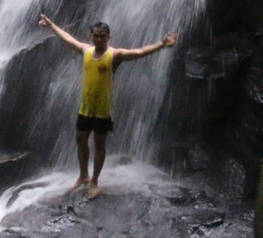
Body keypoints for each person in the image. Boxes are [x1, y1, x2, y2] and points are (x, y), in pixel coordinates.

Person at [37, 13, 179, 199]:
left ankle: (94, 181)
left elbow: (139, 52)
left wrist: (161, 44)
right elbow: (67, 38)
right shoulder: (86, 51)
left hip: (103, 110)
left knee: (99, 143)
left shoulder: (115, 55)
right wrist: (50, 25)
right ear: (91, 36)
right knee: (80, 140)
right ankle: (83, 175)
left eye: (102, 35)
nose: (99, 38)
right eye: (96, 35)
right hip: (85, 108)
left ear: (108, 36)